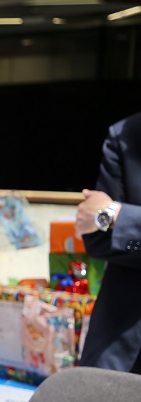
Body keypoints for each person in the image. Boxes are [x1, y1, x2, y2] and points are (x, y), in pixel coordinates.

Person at [75, 110, 141, 373]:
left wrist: (116, 215)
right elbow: (98, 239)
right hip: (119, 346)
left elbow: (104, 219)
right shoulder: (127, 133)